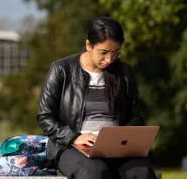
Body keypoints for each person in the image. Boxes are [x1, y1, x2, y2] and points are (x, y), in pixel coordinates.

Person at [37, 17, 157, 179]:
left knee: (142, 172)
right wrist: (74, 137)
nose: (109, 59)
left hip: (115, 147)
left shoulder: (124, 73)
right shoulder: (61, 70)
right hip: (70, 146)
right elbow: (45, 117)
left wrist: (118, 137)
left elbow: (135, 116)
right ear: (88, 45)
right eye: (103, 52)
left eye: (115, 53)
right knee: (94, 172)